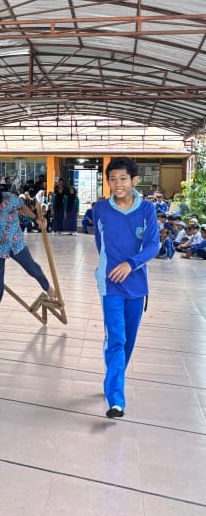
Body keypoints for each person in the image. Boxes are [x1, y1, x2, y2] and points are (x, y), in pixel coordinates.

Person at [93, 156, 160, 419]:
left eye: (123, 179)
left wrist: (131, 264)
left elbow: (153, 245)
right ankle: (116, 399)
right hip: (109, 284)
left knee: (128, 341)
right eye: (112, 179)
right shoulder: (101, 209)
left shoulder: (147, 210)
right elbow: (100, 244)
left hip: (136, 285)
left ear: (134, 180)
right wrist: (110, 268)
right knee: (117, 339)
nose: (117, 184)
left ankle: (113, 375)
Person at [0, 182, 58, 345]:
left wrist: (36, 219)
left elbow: (23, 207)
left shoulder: (9, 198)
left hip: (15, 241)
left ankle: (47, 287)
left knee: (32, 268)